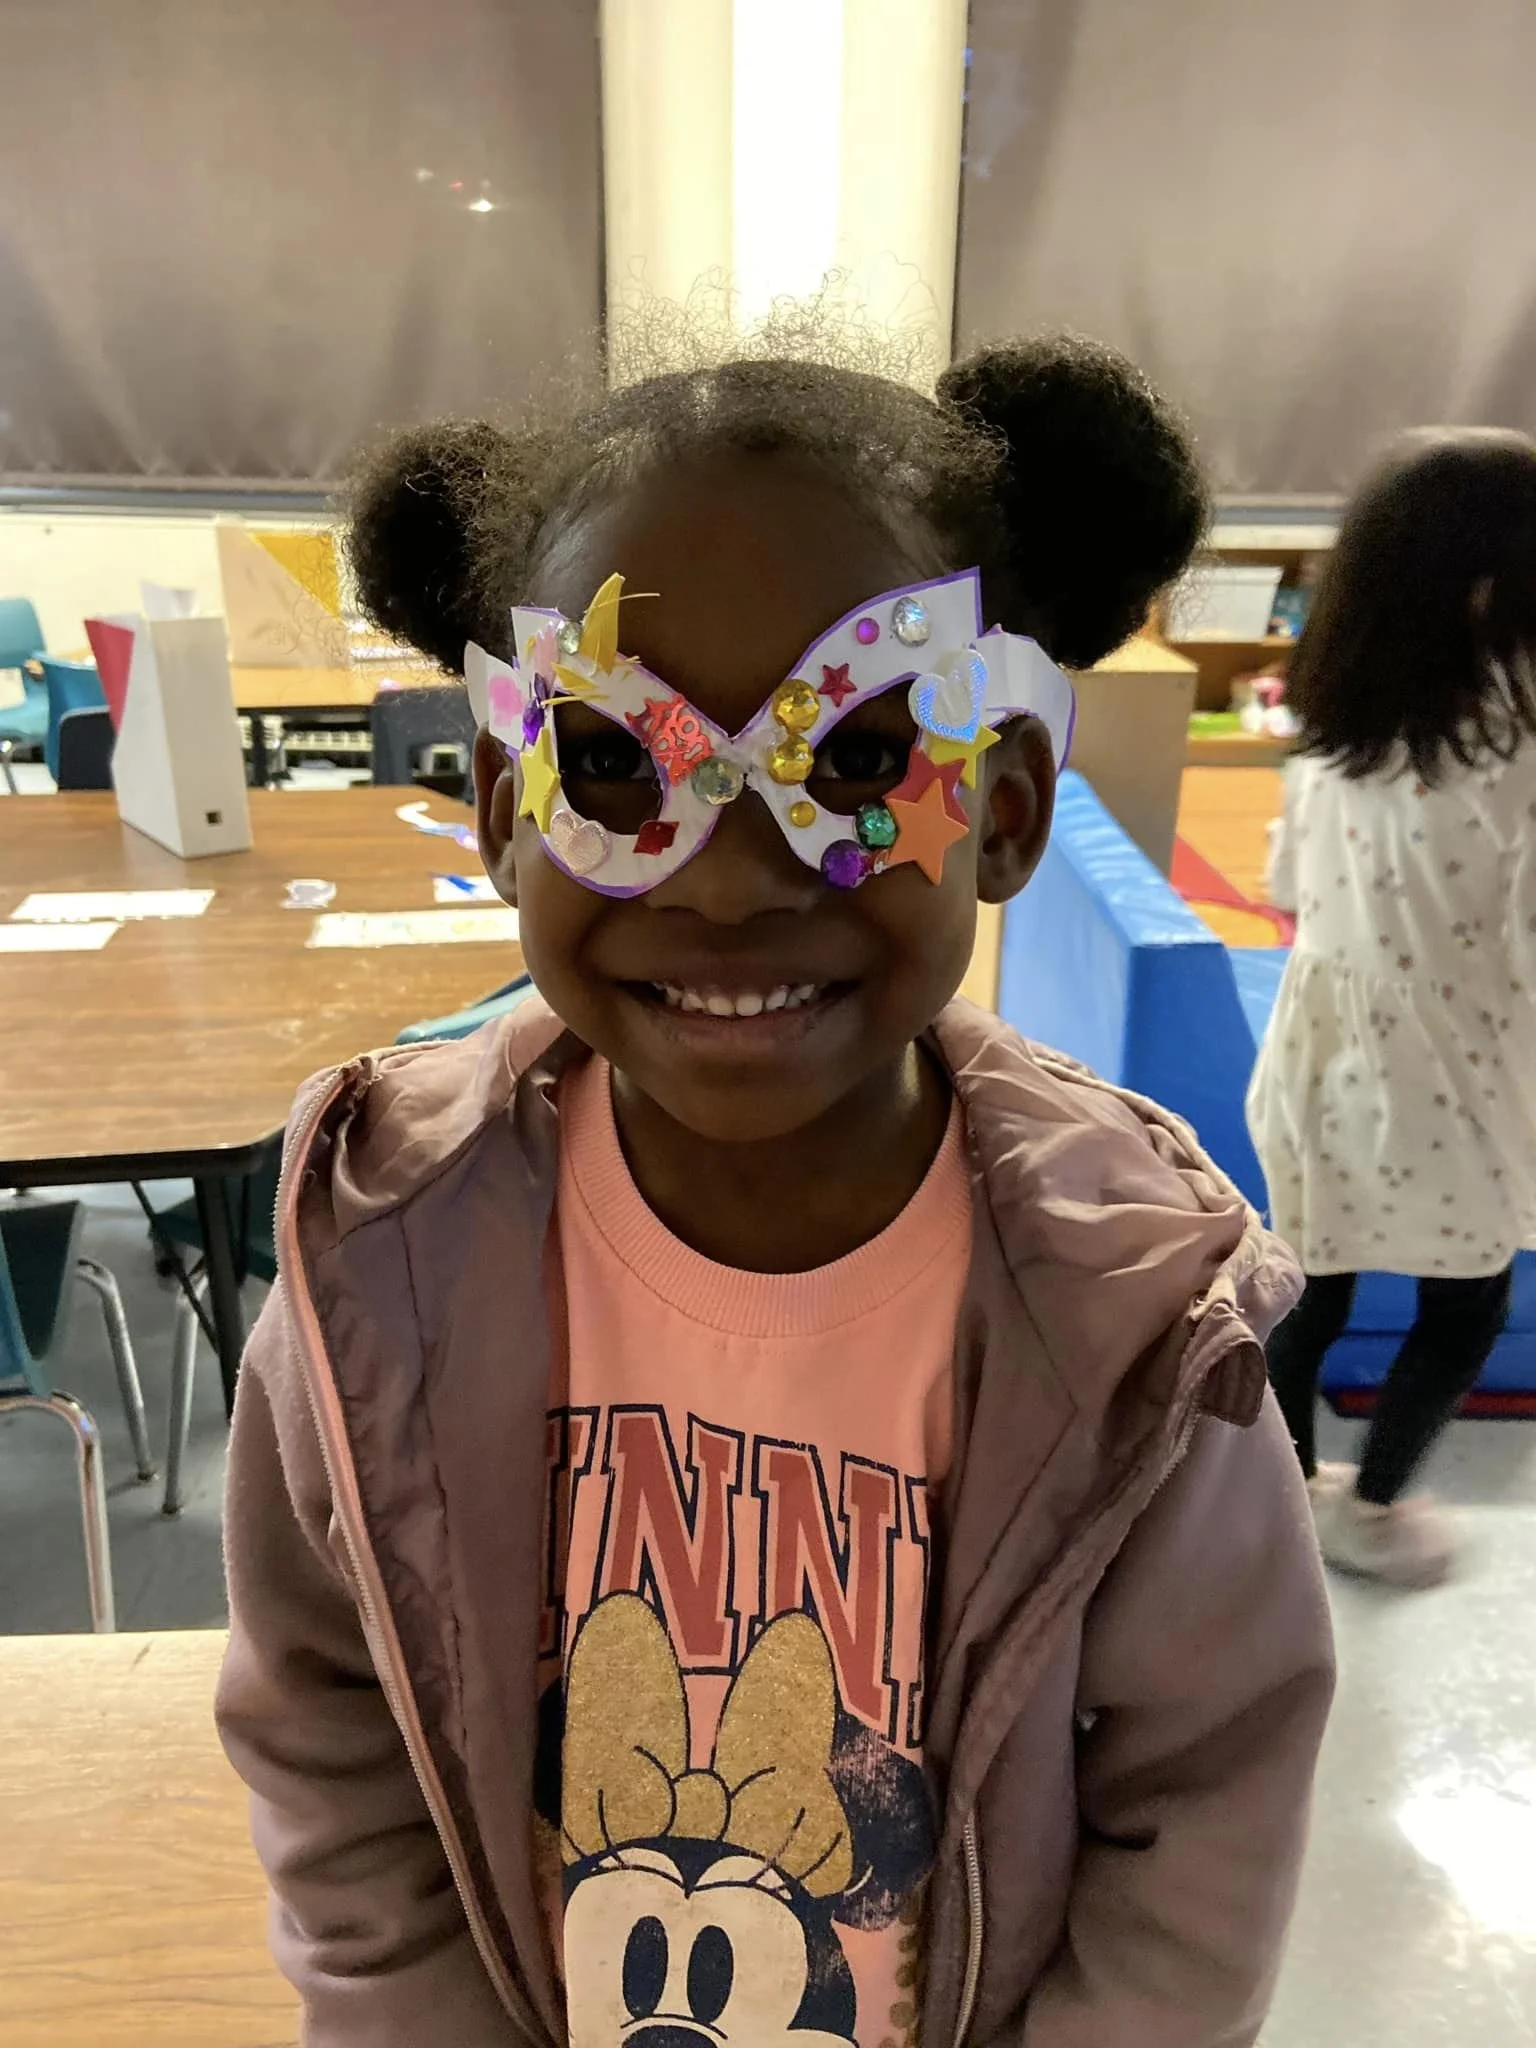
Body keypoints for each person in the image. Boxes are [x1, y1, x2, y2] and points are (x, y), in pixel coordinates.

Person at [216, 329, 1334, 2048]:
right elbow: (326, 1723)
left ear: (1008, 815)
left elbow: (1203, 1799)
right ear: (502, 812)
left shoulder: (1139, 1319)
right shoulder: (384, 1257)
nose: (729, 885)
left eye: (859, 758)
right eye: (616, 765)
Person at [1249, 428, 1536, 1589]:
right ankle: (1369, 1506)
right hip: (1457, 1067)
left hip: (1323, 1057)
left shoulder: (1332, 715)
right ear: (1487, 586)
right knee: (1465, 1303)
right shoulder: (1516, 728)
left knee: (1311, 1288)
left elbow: (1280, 885)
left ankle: (1284, 1493)